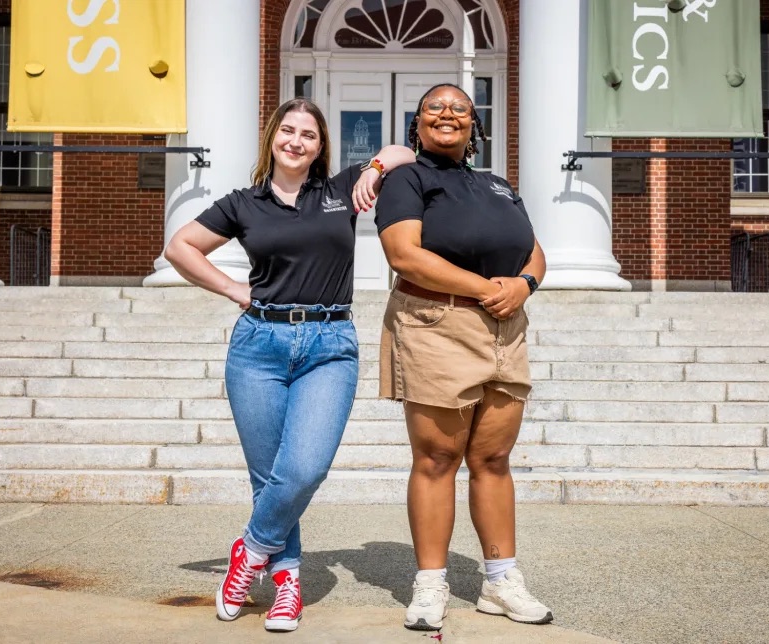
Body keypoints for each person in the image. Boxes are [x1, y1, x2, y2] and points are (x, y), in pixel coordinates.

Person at [164, 98, 415, 633]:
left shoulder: (339, 190)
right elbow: (181, 247)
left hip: (330, 343)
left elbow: (401, 153)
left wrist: (372, 167)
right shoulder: (243, 203)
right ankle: (286, 583)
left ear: (321, 146)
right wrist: (234, 288)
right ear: (272, 138)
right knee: (269, 479)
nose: (296, 141)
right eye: (288, 131)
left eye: (309, 134)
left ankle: (249, 551)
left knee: (303, 469)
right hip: (259, 345)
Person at [374, 83, 552, 631]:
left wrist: (524, 284)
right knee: (436, 460)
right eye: (435, 107)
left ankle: (500, 582)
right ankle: (430, 584)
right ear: (418, 123)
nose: (447, 113)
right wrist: (483, 287)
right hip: (436, 325)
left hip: (505, 326)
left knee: (493, 459)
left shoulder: (498, 184)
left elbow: (534, 250)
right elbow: (404, 254)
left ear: (474, 125)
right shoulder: (407, 178)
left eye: (459, 108)